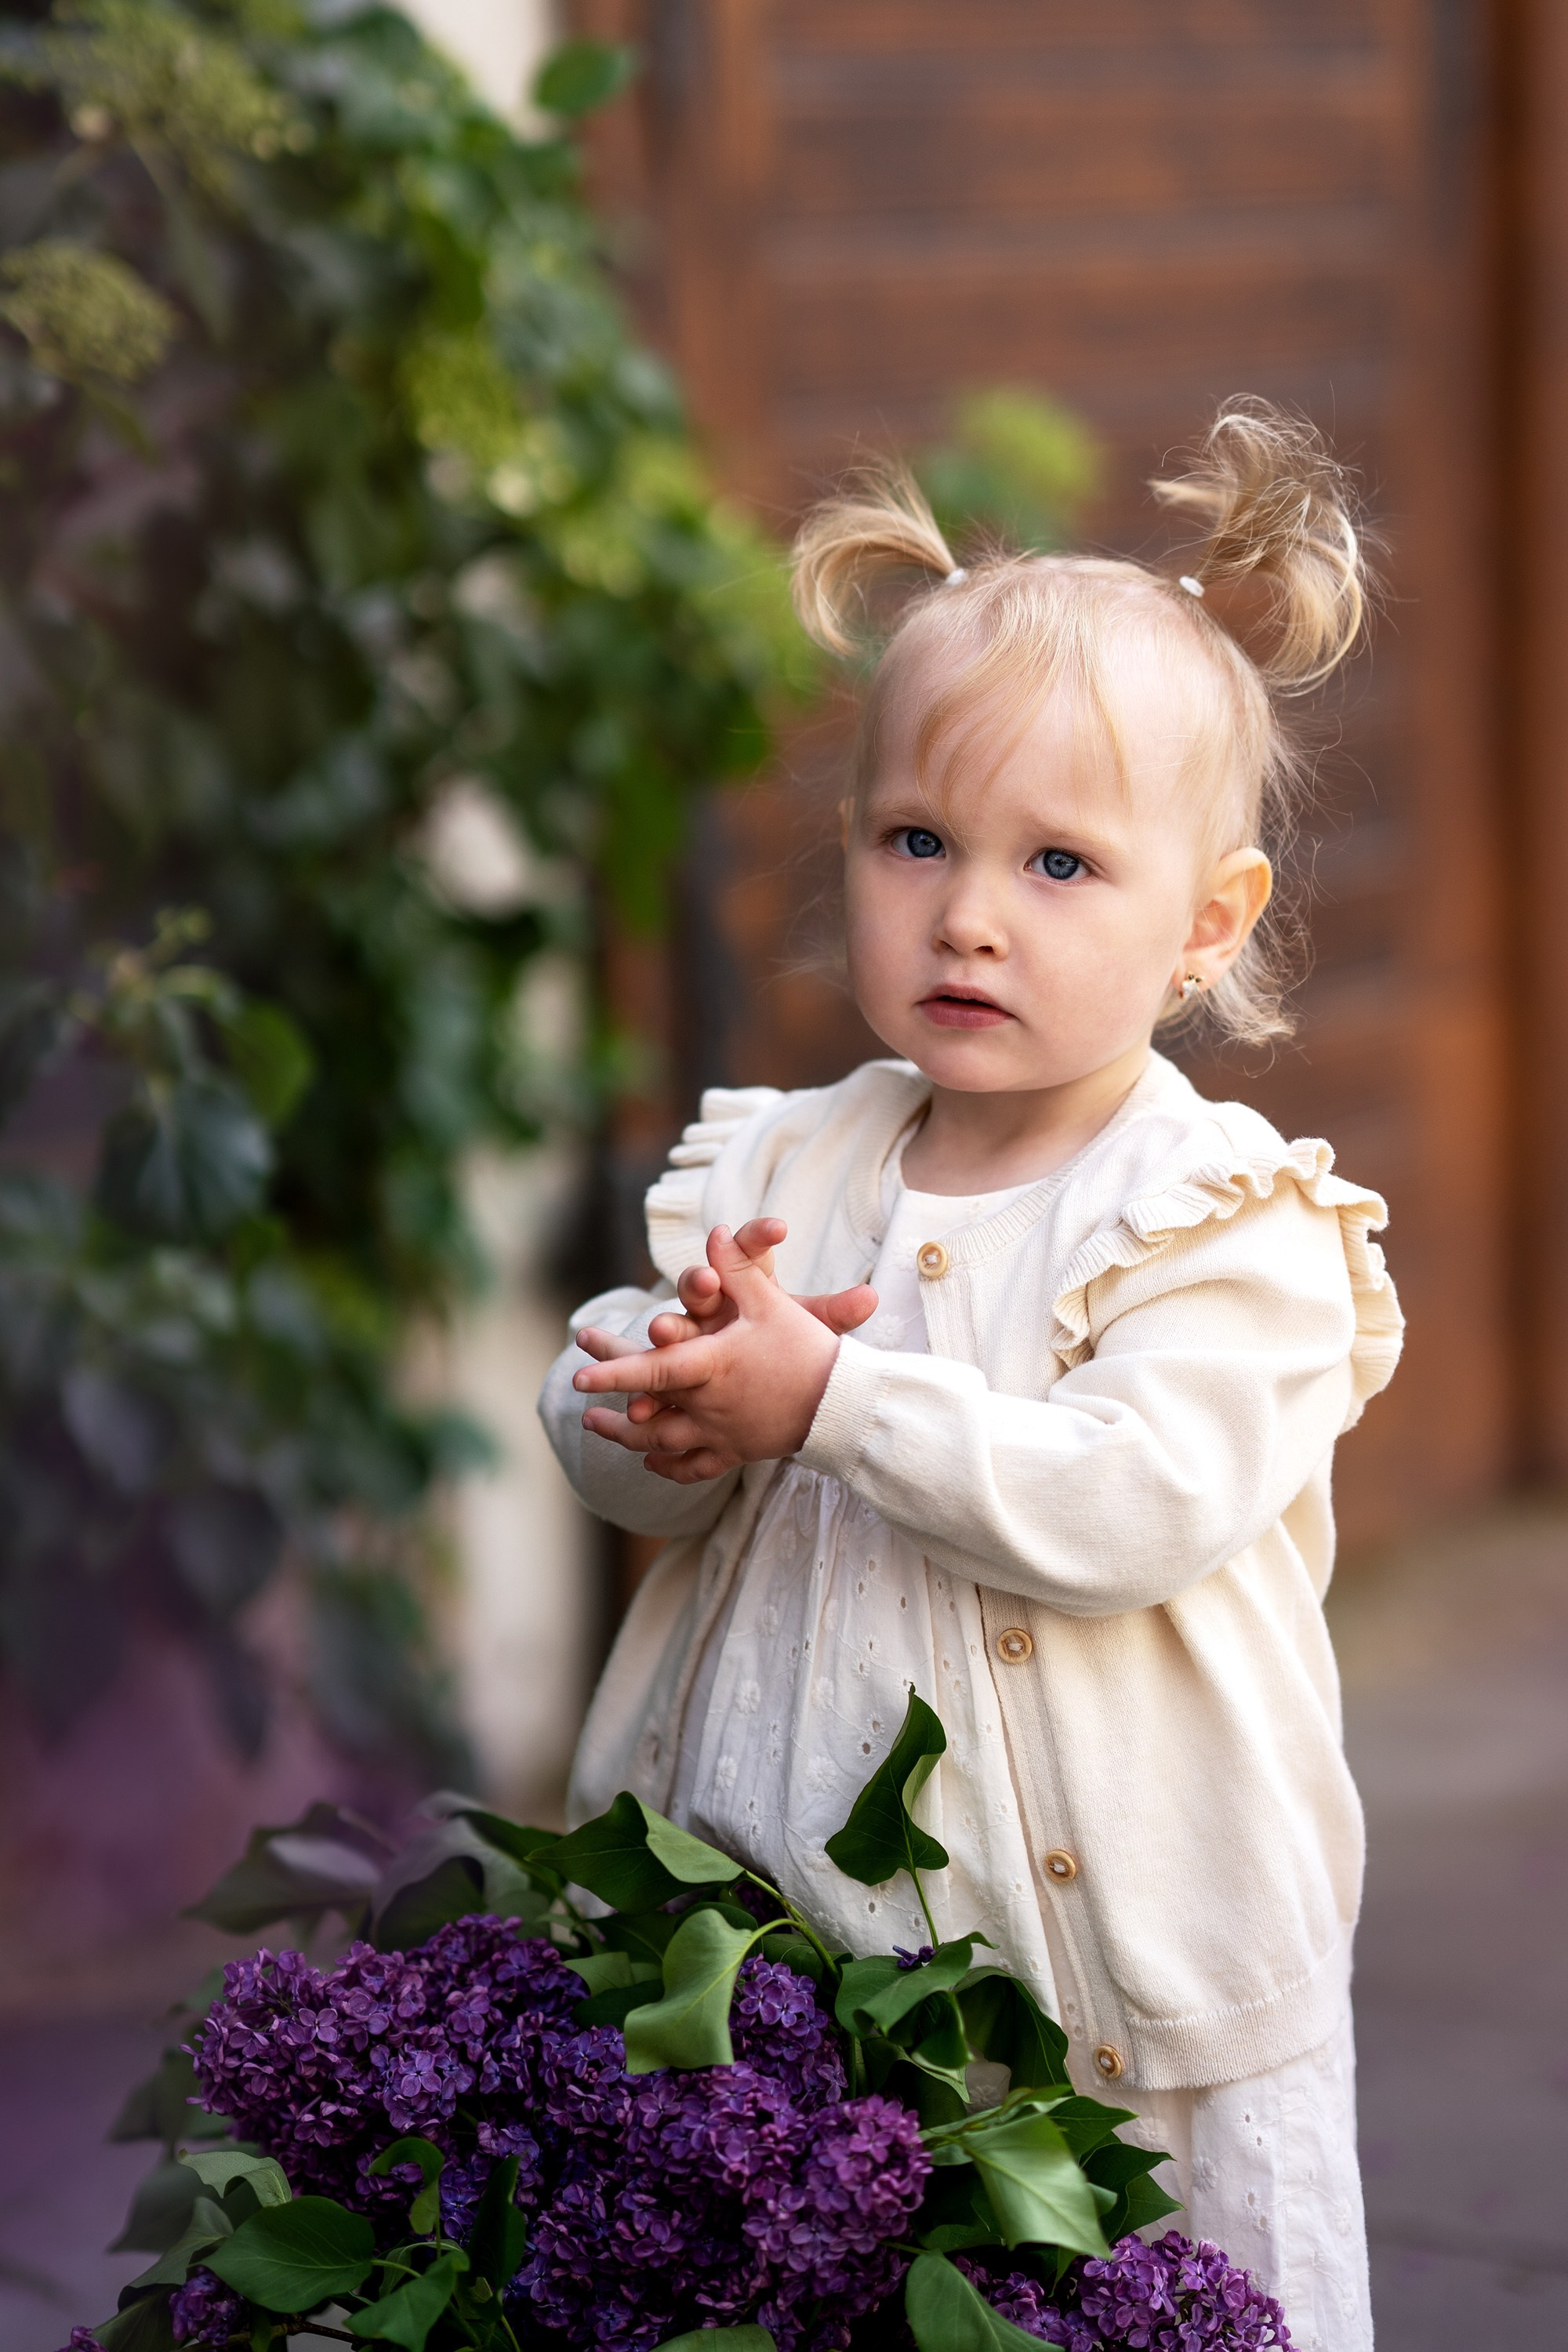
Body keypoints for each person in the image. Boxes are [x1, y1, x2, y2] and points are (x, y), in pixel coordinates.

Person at [538, 399, 1402, 2351]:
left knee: (1144, 2294)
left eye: (1059, 864)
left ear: (1206, 923)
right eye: (915, 840)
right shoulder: (776, 1166)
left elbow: (1129, 1502)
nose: (970, 911)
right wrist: (653, 1393)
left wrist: (830, 1406)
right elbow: (641, 1474)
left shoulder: (1219, 1222)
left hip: (1121, 1984)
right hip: (784, 1969)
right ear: (848, 847)